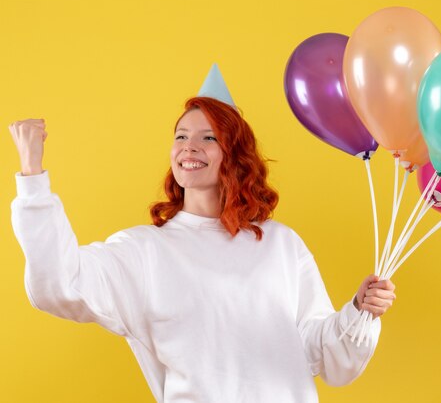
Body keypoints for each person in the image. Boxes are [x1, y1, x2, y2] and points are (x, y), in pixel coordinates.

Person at [9, 71, 396, 402]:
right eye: (180, 136)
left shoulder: (281, 244)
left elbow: (319, 353)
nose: (189, 147)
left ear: (235, 154)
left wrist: (360, 310)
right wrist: (32, 177)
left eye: (208, 138)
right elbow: (60, 284)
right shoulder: (144, 252)